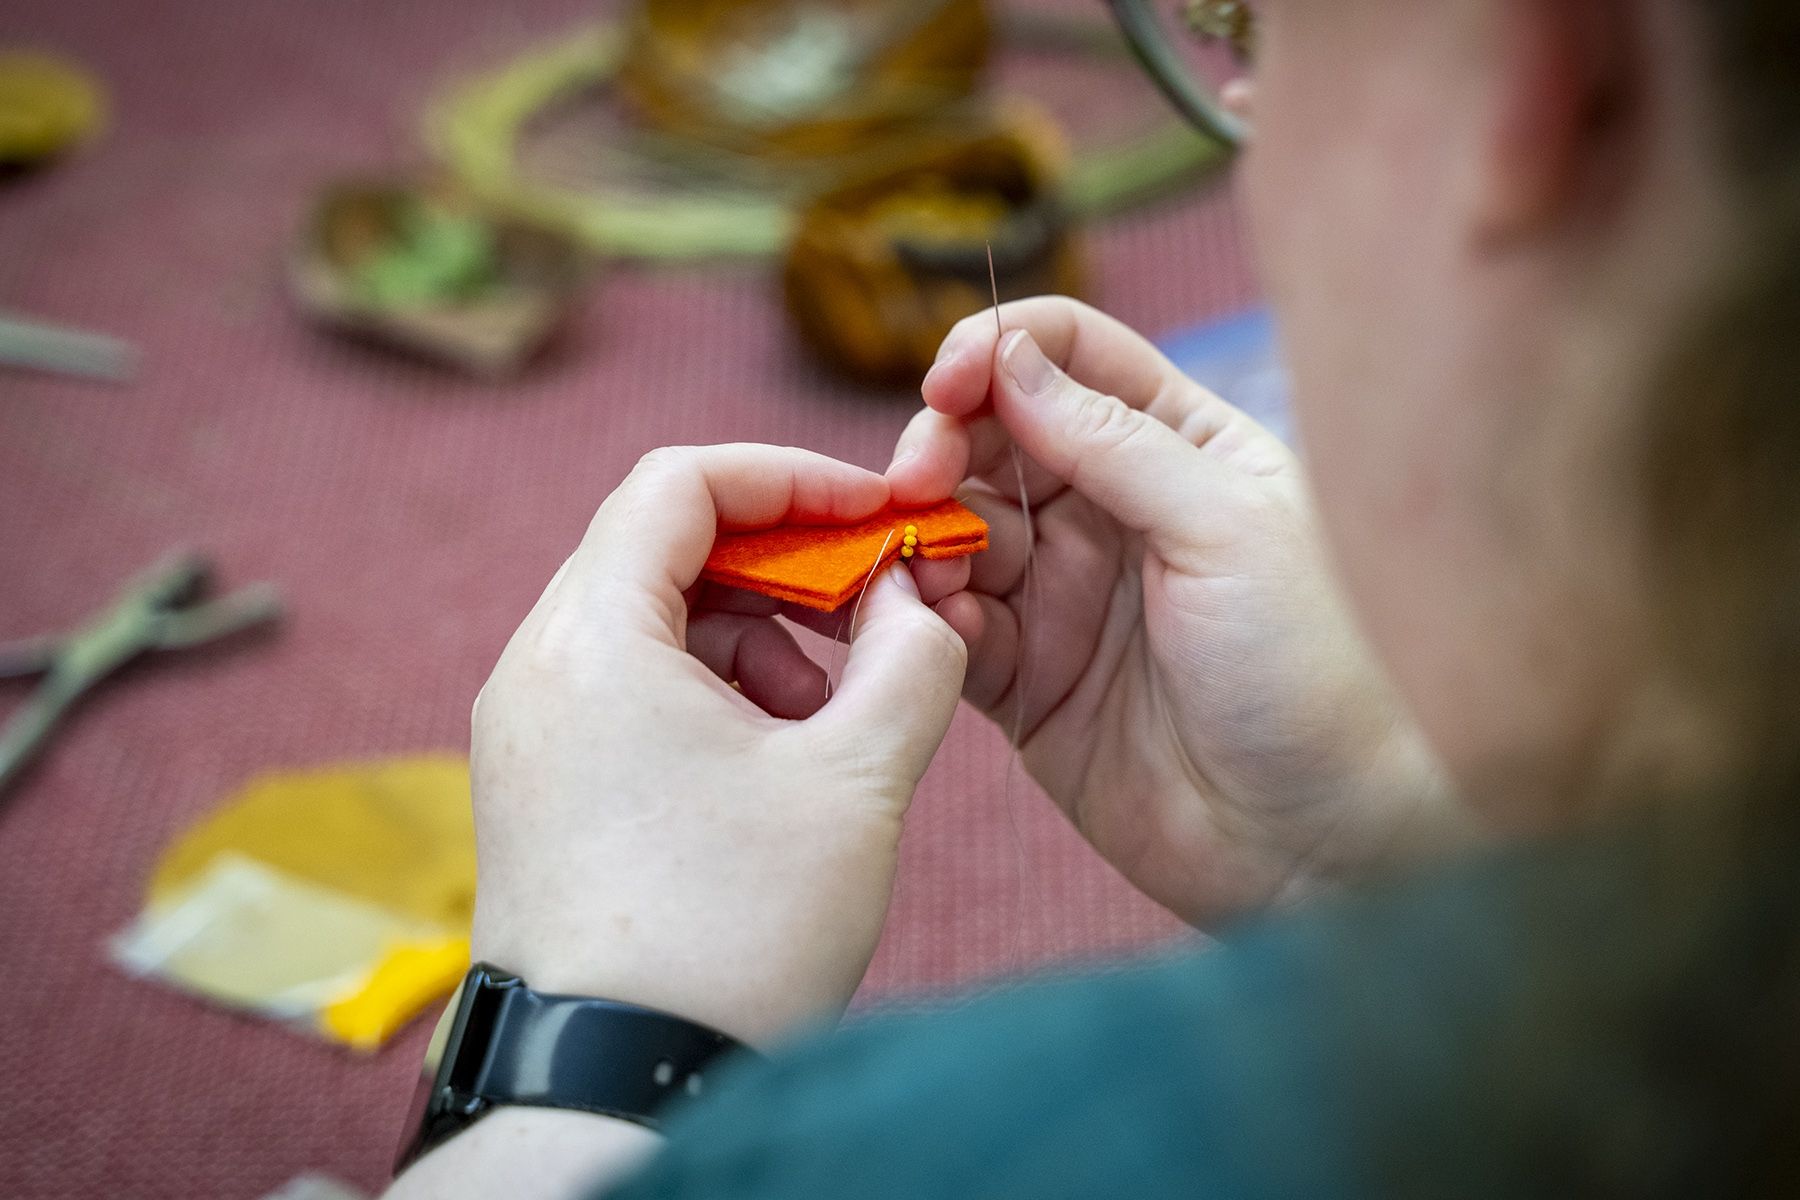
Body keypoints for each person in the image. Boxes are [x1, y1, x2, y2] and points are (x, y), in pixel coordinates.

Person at [388, 0, 1800, 1195]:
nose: (1240, 101)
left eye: (1248, 26)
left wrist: (588, 1041)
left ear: (1526, 61)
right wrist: (1392, 843)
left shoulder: (954, 1151)